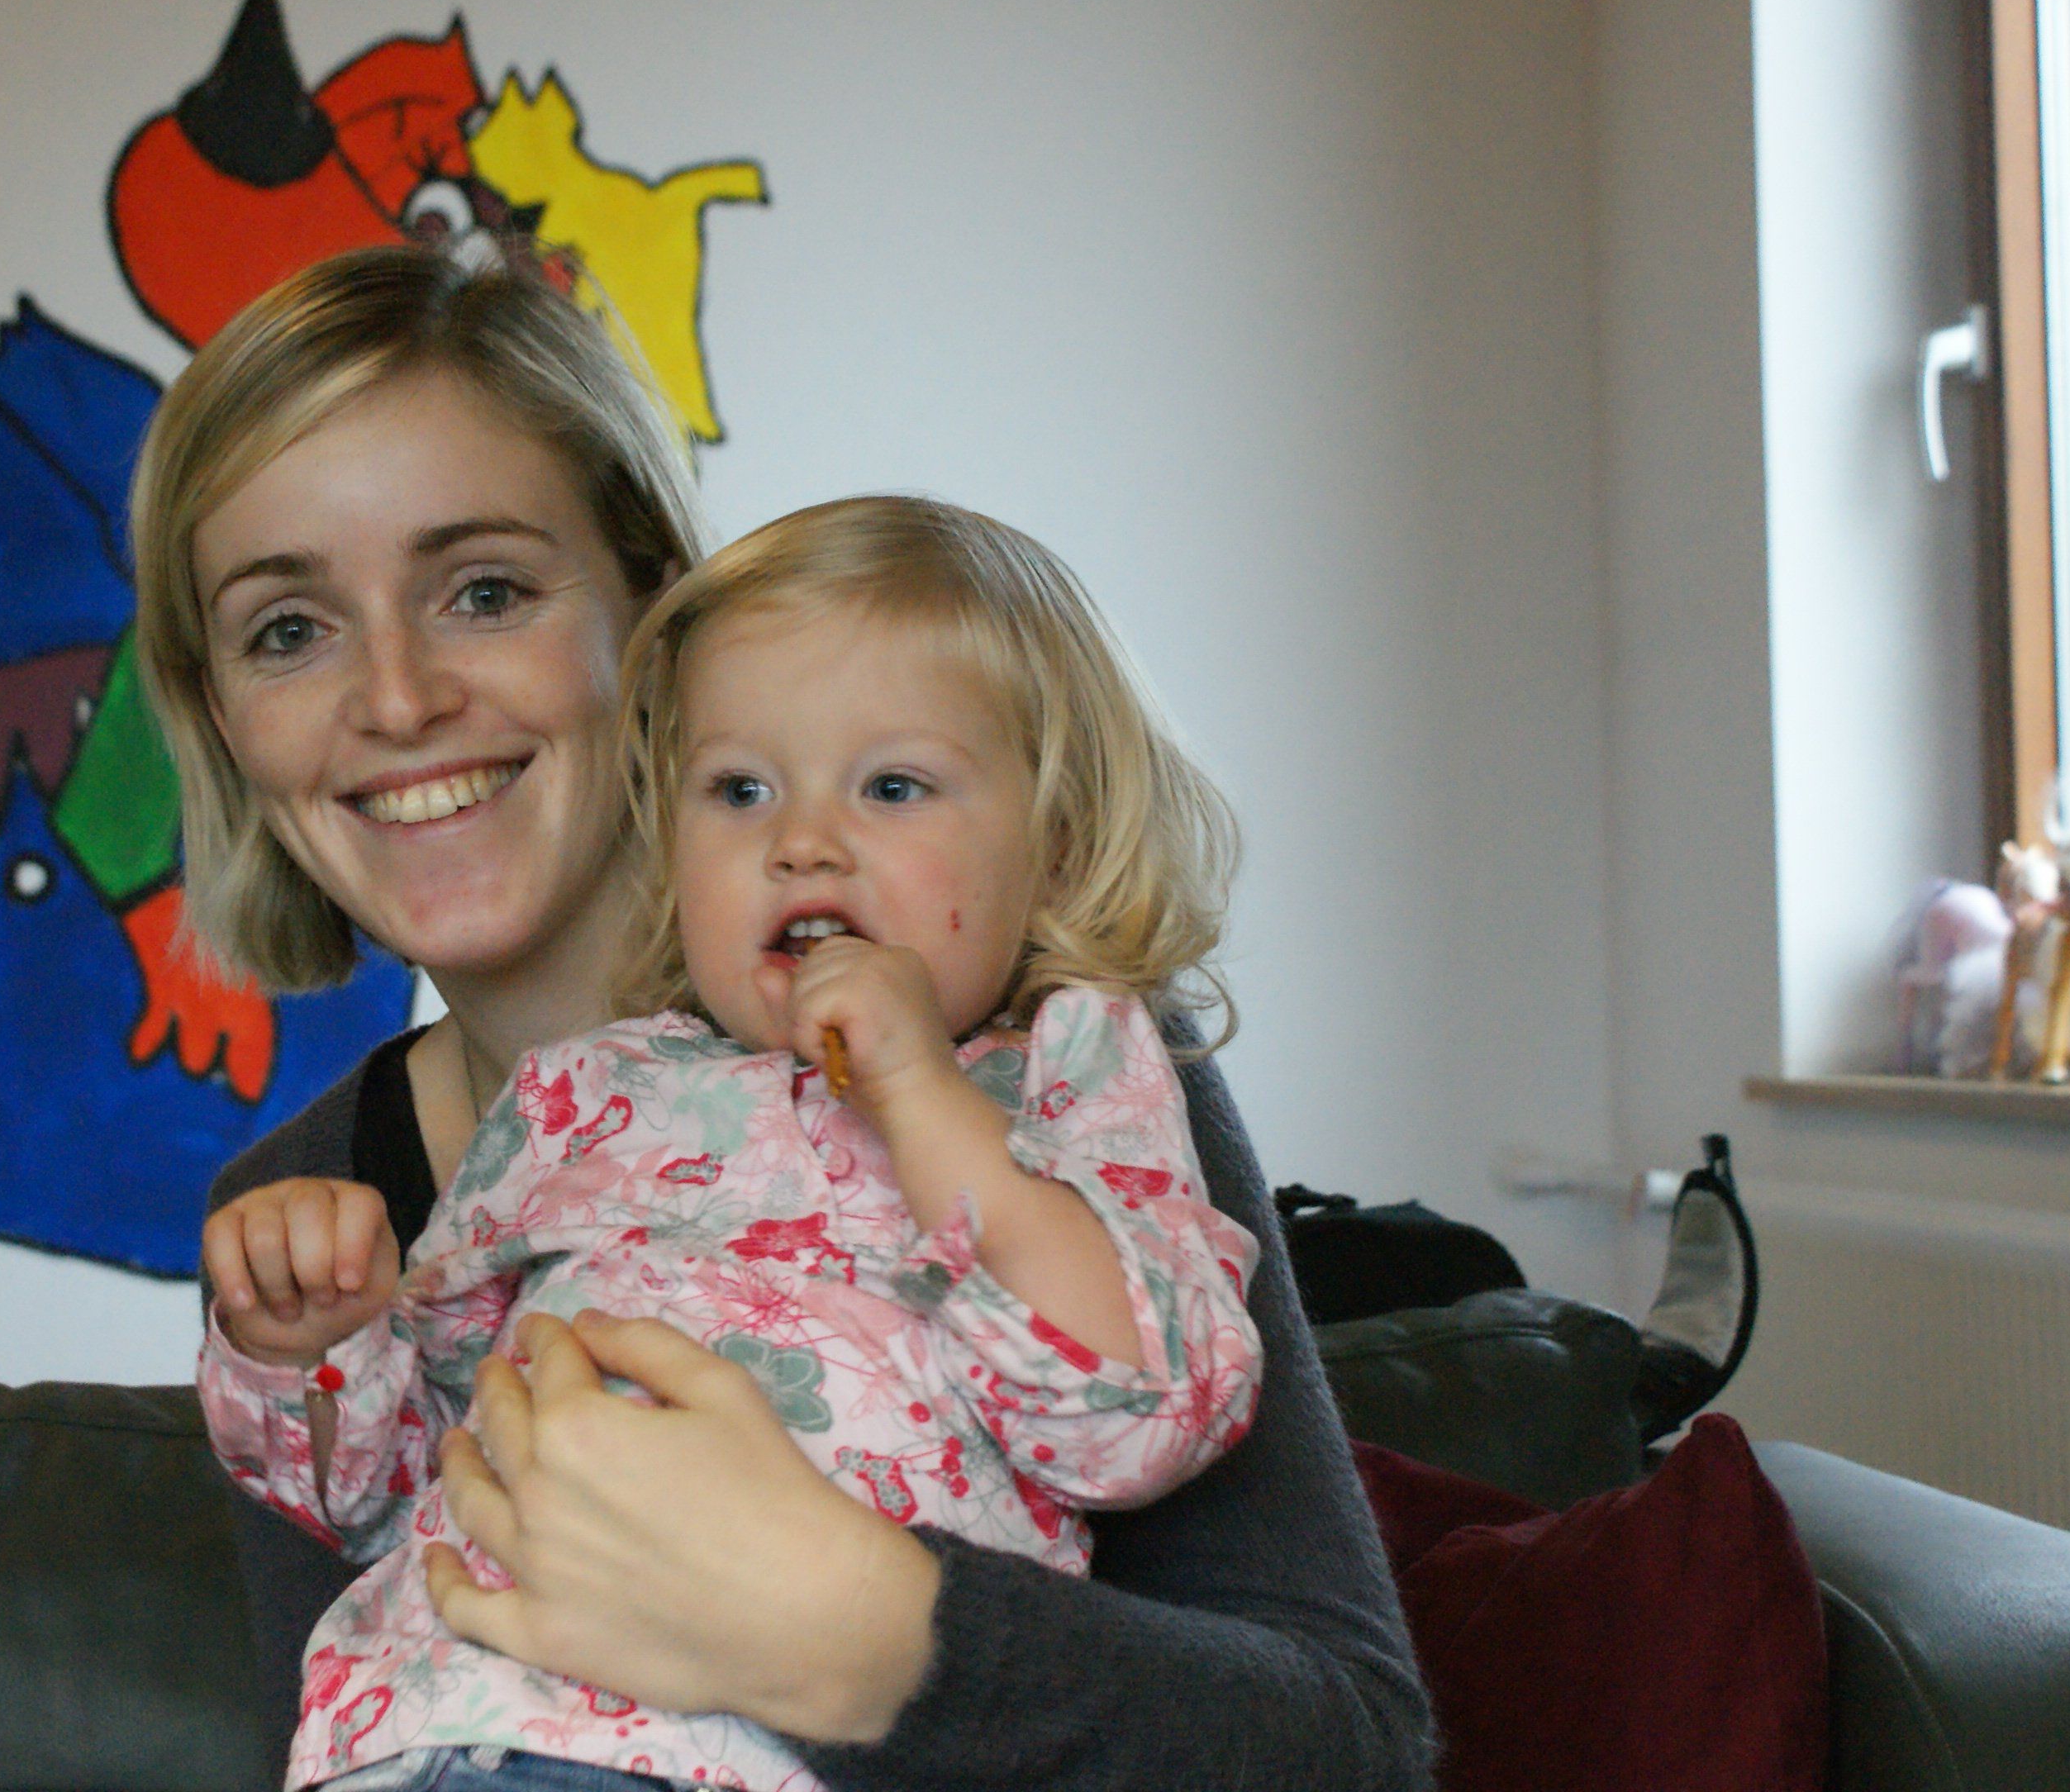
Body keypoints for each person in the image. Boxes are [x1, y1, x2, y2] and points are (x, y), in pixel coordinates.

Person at [133, 242, 1434, 1792]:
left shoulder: (1030, 1054)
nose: (399, 699)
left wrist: (856, 1636)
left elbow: (1350, 1750)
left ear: (655, 614)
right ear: (221, 714)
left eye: (484, 591)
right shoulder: (298, 1223)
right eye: (289, 629)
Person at [199, 494, 1270, 1791]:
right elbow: (398, 1484)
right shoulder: (585, 1093)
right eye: (739, 790)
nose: (800, 842)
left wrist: (919, 1094)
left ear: (1055, 843)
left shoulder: (1068, 1076)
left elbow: (1132, 1420)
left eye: (892, 786)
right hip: (437, 1729)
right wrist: (314, 1340)